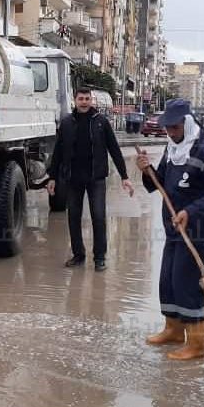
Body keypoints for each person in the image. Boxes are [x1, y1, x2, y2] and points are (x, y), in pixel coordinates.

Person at [137, 99, 204, 360]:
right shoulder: (173, 150)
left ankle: (198, 343)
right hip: (173, 227)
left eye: (175, 128)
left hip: (199, 229)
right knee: (168, 279)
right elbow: (160, 183)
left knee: (186, 282)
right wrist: (147, 171)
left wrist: (191, 211)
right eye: (167, 129)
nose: (170, 133)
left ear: (187, 124)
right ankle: (174, 330)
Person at [47, 88, 134, 272]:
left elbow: (114, 150)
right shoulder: (67, 123)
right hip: (73, 179)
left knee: (99, 217)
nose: (84, 102)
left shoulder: (101, 122)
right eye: (81, 99)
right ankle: (78, 255)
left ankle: (100, 258)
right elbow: (58, 153)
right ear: (75, 101)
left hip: (96, 178)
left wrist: (124, 176)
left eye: (87, 99)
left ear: (91, 101)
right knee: (73, 217)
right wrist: (52, 177)